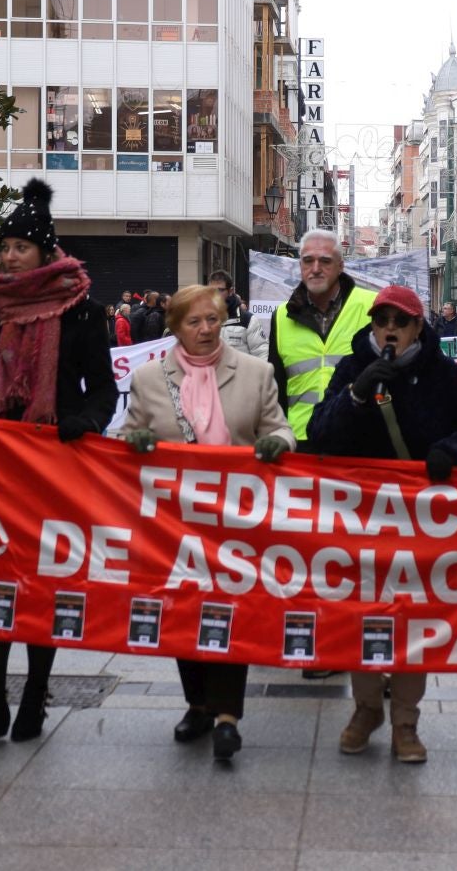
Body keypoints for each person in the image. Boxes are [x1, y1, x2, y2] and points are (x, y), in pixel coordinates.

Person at [0, 180, 118, 750]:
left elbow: (103, 390)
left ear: (46, 251)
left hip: (52, 462)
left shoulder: (83, 309)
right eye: (5, 247)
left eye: (20, 246)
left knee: (43, 583)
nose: (9, 255)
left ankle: (35, 696)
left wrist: (86, 422)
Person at [309, 285, 457, 764]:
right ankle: (367, 709)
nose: (390, 329)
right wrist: (357, 392)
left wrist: (450, 452)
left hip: (420, 524)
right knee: (362, 616)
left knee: (412, 621)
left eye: (400, 321)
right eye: (382, 320)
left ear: (417, 327)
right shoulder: (352, 368)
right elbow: (320, 433)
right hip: (362, 520)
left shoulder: (442, 375)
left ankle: (405, 722)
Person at [119, 284, 292, 762]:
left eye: (213, 320)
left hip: (237, 519)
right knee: (183, 611)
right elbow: (130, 431)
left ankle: (228, 717)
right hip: (174, 522)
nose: (205, 329)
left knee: (230, 610)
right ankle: (197, 704)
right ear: (174, 328)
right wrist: (132, 439)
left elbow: (278, 427)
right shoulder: (150, 377)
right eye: (194, 322)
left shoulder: (256, 373)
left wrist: (280, 443)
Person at [264, 229, 376, 449]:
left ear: (340, 266)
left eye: (325, 261)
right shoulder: (281, 316)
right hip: (301, 442)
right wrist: (277, 435)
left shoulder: (373, 306)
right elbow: (276, 388)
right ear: (300, 266)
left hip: (358, 440)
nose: (315, 269)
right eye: (308, 261)